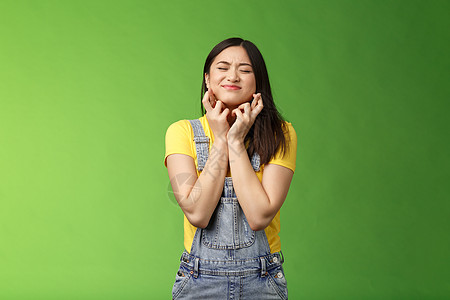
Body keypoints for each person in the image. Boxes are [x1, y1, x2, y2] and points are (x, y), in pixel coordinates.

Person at [164, 37, 297, 300]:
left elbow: (259, 217)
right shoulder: (182, 132)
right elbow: (198, 213)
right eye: (222, 67)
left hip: (263, 280)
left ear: (258, 81)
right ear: (207, 78)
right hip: (198, 280)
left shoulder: (281, 133)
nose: (233, 76)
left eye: (245, 70)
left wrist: (235, 141)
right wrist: (220, 139)